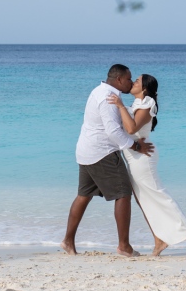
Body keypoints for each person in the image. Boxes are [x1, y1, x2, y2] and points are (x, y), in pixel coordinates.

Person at [60, 64, 155, 257]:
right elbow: (113, 132)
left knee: (84, 195)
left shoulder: (100, 90)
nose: (130, 82)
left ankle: (68, 241)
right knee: (123, 193)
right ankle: (124, 246)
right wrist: (137, 146)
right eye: (129, 79)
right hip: (102, 152)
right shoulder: (108, 98)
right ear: (119, 79)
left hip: (86, 150)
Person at [108, 74, 186, 256]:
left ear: (145, 88)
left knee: (157, 194)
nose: (133, 82)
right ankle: (159, 240)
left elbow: (132, 128)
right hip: (133, 155)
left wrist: (119, 106)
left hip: (142, 157)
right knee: (144, 200)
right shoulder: (135, 105)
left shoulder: (147, 103)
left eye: (138, 81)